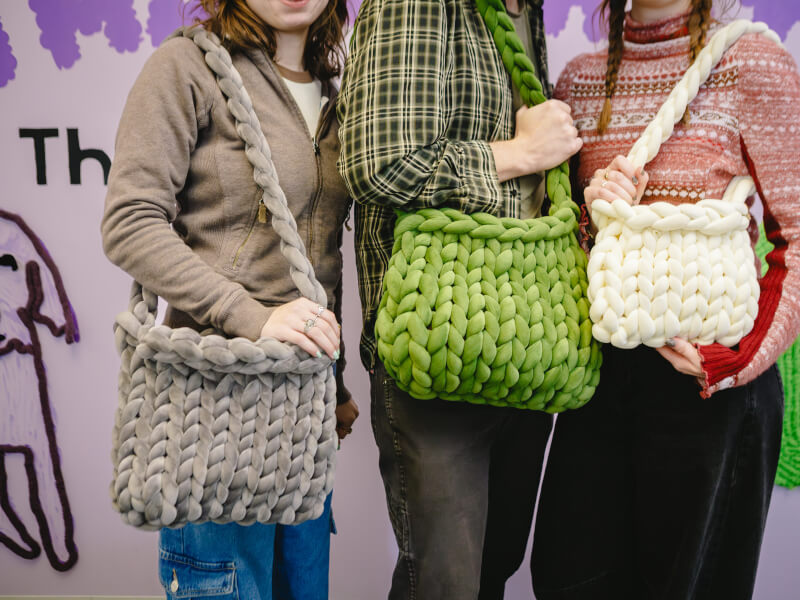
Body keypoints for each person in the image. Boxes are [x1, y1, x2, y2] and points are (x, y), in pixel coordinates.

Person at [531, 1, 800, 598]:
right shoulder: (578, 79)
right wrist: (588, 212)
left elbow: (798, 235)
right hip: (598, 384)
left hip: (710, 390)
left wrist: (736, 360)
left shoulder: (750, 61)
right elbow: (560, 246)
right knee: (568, 577)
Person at [101, 0, 358, 598]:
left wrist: (335, 381)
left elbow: (316, 255)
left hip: (299, 422)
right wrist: (252, 318)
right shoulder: (187, 67)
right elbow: (130, 221)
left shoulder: (337, 93)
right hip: (210, 415)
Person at [337, 1, 583, 598]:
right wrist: (520, 153)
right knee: (445, 587)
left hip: (522, 342)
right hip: (437, 351)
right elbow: (379, 163)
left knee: (486, 575)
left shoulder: (524, 9)